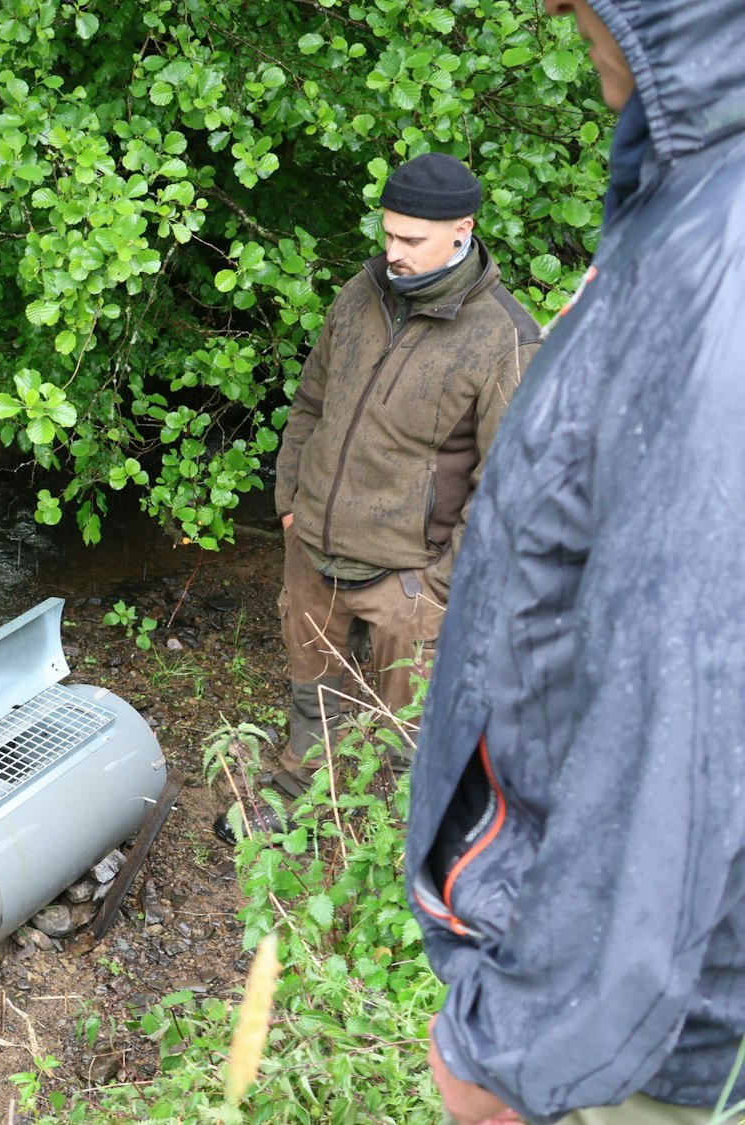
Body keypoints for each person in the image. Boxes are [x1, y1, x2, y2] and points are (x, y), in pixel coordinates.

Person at [408, 2, 745, 1123]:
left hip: (643, 1017)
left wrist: (516, 1041)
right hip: (610, 963)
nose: (551, 8)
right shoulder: (681, 205)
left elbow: (691, 695)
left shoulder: (724, 250)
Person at [262, 152, 539, 805]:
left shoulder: (506, 339)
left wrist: (436, 590)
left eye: (411, 240)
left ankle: (387, 843)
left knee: (401, 732)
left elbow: (508, 491)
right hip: (315, 552)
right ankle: (298, 792)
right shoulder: (362, 294)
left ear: (461, 231)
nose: (394, 253)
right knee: (312, 692)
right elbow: (309, 405)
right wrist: (290, 506)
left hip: (407, 585)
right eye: (387, 234)